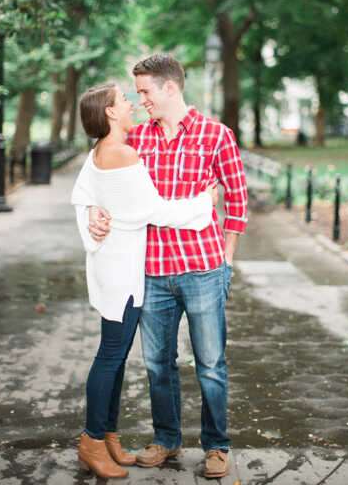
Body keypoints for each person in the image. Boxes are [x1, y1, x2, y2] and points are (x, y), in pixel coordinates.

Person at [88, 54, 248, 479]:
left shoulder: (217, 135)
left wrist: (227, 259)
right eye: (135, 93)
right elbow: (99, 174)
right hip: (152, 273)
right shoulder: (136, 139)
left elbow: (237, 199)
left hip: (203, 269)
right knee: (159, 364)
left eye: (144, 92)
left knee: (210, 363)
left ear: (170, 88)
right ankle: (167, 439)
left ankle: (216, 446)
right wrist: (91, 209)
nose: (140, 101)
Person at [71, 82, 217, 479]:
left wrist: (93, 213)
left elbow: (82, 193)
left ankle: (108, 435)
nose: (133, 104)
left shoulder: (100, 151)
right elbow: (155, 210)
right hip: (120, 270)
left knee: (113, 357)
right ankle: (91, 441)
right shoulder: (122, 153)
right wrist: (205, 202)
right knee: (111, 356)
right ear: (111, 113)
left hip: (116, 265)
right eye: (124, 101)